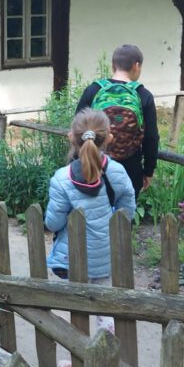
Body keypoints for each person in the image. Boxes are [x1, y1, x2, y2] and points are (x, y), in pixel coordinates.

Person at [45, 108, 136, 349]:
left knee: (78, 309)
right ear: (109, 138)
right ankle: (109, 352)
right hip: (107, 256)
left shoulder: (61, 178)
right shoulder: (117, 172)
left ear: (70, 137)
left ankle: (81, 359)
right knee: (104, 305)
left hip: (73, 259)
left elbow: (52, 223)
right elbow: (127, 212)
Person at [75, 44, 158, 199]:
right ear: (137, 66)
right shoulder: (144, 95)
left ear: (113, 66)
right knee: (125, 216)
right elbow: (151, 138)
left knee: (91, 213)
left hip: (93, 164)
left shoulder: (93, 90)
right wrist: (148, 171)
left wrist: (76, 162)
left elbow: (78, 129)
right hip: (130, 168)